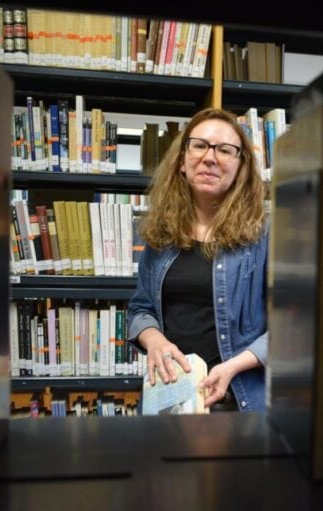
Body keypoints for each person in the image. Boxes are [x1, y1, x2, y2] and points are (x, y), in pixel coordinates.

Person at [127, 108, 269, 412]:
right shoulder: (162, 232)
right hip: (172, 398)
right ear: (182, 161)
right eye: (200, 145)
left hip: (239, 401)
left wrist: (233, 366)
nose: (210, 158)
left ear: (241, 167)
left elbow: (293, 326)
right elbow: (141, 307)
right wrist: (154, 341)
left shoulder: (265, 235)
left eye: (225, 150)